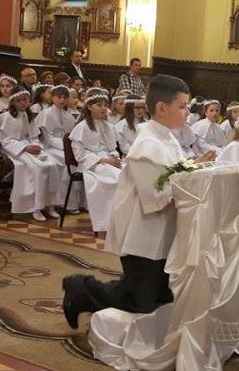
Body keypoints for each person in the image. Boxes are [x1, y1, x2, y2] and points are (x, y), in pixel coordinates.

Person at [62, 75, 208, 328]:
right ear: (161, 108)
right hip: (142, 232)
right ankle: (81, 287)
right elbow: (155, 196)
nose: (188, 112)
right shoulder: (147, 145)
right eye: (183, 106)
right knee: (139, 301)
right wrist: (191, 174)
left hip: (163, 231)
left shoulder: (167, 137)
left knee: (161, 296)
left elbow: (174, 173)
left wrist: (195, 168)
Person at [0, 87, 63, 222]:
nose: (22, 103)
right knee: (37, 168)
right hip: (14, 149)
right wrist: (25, 148)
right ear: (12, 102)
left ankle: (50, 204)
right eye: (19, 100)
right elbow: (5, 140)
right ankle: (35, 207)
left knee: (53, 165)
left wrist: (37, 146)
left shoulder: (29, 116)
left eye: (25, 100)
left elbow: (34, 137)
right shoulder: (6, 116)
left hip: (30, 147)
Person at [68, 90, 123, 233]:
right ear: (89, 107)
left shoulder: (108, 126)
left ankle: (121, 219)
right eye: (99, 105)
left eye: (105, 105)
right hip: (91, 164)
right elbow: (80, 155)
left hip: (108, 161)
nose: (104, 108)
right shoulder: (81, 127)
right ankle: (105, 222)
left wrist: (114, 157)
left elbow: (112, 148)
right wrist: (104, 160)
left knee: (126, 174)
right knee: (115, 177)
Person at [35, 85, 84, 214]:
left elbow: (71, 135)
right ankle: (54, 202)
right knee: (63, 162)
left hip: (64, 147)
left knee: (74, 162)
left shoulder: (68, 116)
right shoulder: (45, 114)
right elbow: (48, 138)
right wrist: (66, 147)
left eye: (65, 97)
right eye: (59, 97)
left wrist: (70, 147)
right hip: (49, 147)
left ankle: (70, 203)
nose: (62, 100)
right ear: (52, 97)